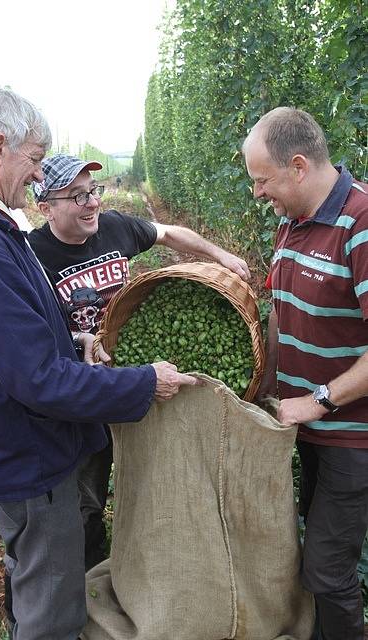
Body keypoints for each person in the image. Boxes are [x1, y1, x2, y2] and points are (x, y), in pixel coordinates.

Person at [0, 85, 199, 640]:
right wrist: (143, 383)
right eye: (35, 161)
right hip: (28, 459)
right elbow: (35, 380)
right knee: (52, 612)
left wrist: (71, 343)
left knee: (33, 580)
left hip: (10, 448)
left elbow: (16, 343)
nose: (38, 178)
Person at [29, 153, 251, 570]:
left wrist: (220, 255)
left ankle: (151, 563)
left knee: (151, 480)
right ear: (46, 208)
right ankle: (90, 576)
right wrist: (80, 339)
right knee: (86, 494)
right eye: (76, 197)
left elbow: (170, 233)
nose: (92, 203)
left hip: (138, 380)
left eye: (93, 191)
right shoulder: (33, 257)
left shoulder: (115, 227)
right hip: (83, 392)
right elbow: (34, 335)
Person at [242, 106, 368, 640]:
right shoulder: (291, 224)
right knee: (305, 550)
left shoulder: (360, 225)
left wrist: (318, 399)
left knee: (327, 571)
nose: (257, 193)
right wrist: (263, 384)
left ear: (298, 166)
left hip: (350, 435)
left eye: (261, 180)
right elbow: (280, 311)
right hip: (304, 428)